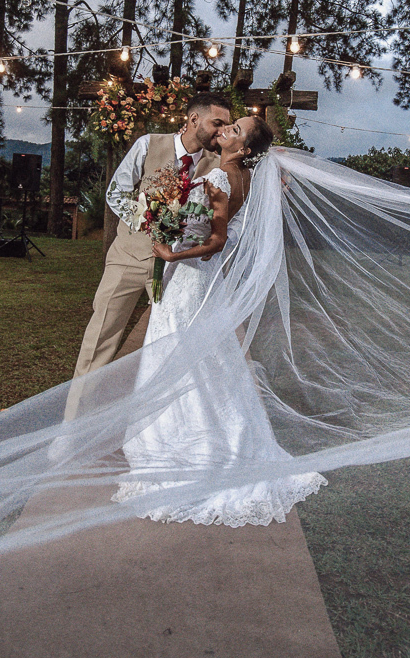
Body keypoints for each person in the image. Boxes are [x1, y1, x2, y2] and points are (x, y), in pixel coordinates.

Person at [112, 115, 327, 526]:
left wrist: (169, 253)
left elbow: (214, 242)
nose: (223, 132)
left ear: (244, 149)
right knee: (203, 359)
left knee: (178, 355)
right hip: (199, 283)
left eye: (234, 131)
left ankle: (185, 449)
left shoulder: (223, 180)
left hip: (190, 280)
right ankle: (219, 436)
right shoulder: (239, 176)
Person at [62, 91, 232, 420]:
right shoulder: (147, 144)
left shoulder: (218, 166)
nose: (221, 131)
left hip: (178, 272)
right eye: (217, 123)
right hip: (128, 258)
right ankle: (72, 429)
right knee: (99, 340)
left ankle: (166, 431)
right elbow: (116, 192)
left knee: (176, 349)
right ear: (194, 120)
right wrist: (153, 222)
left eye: (227, 126)